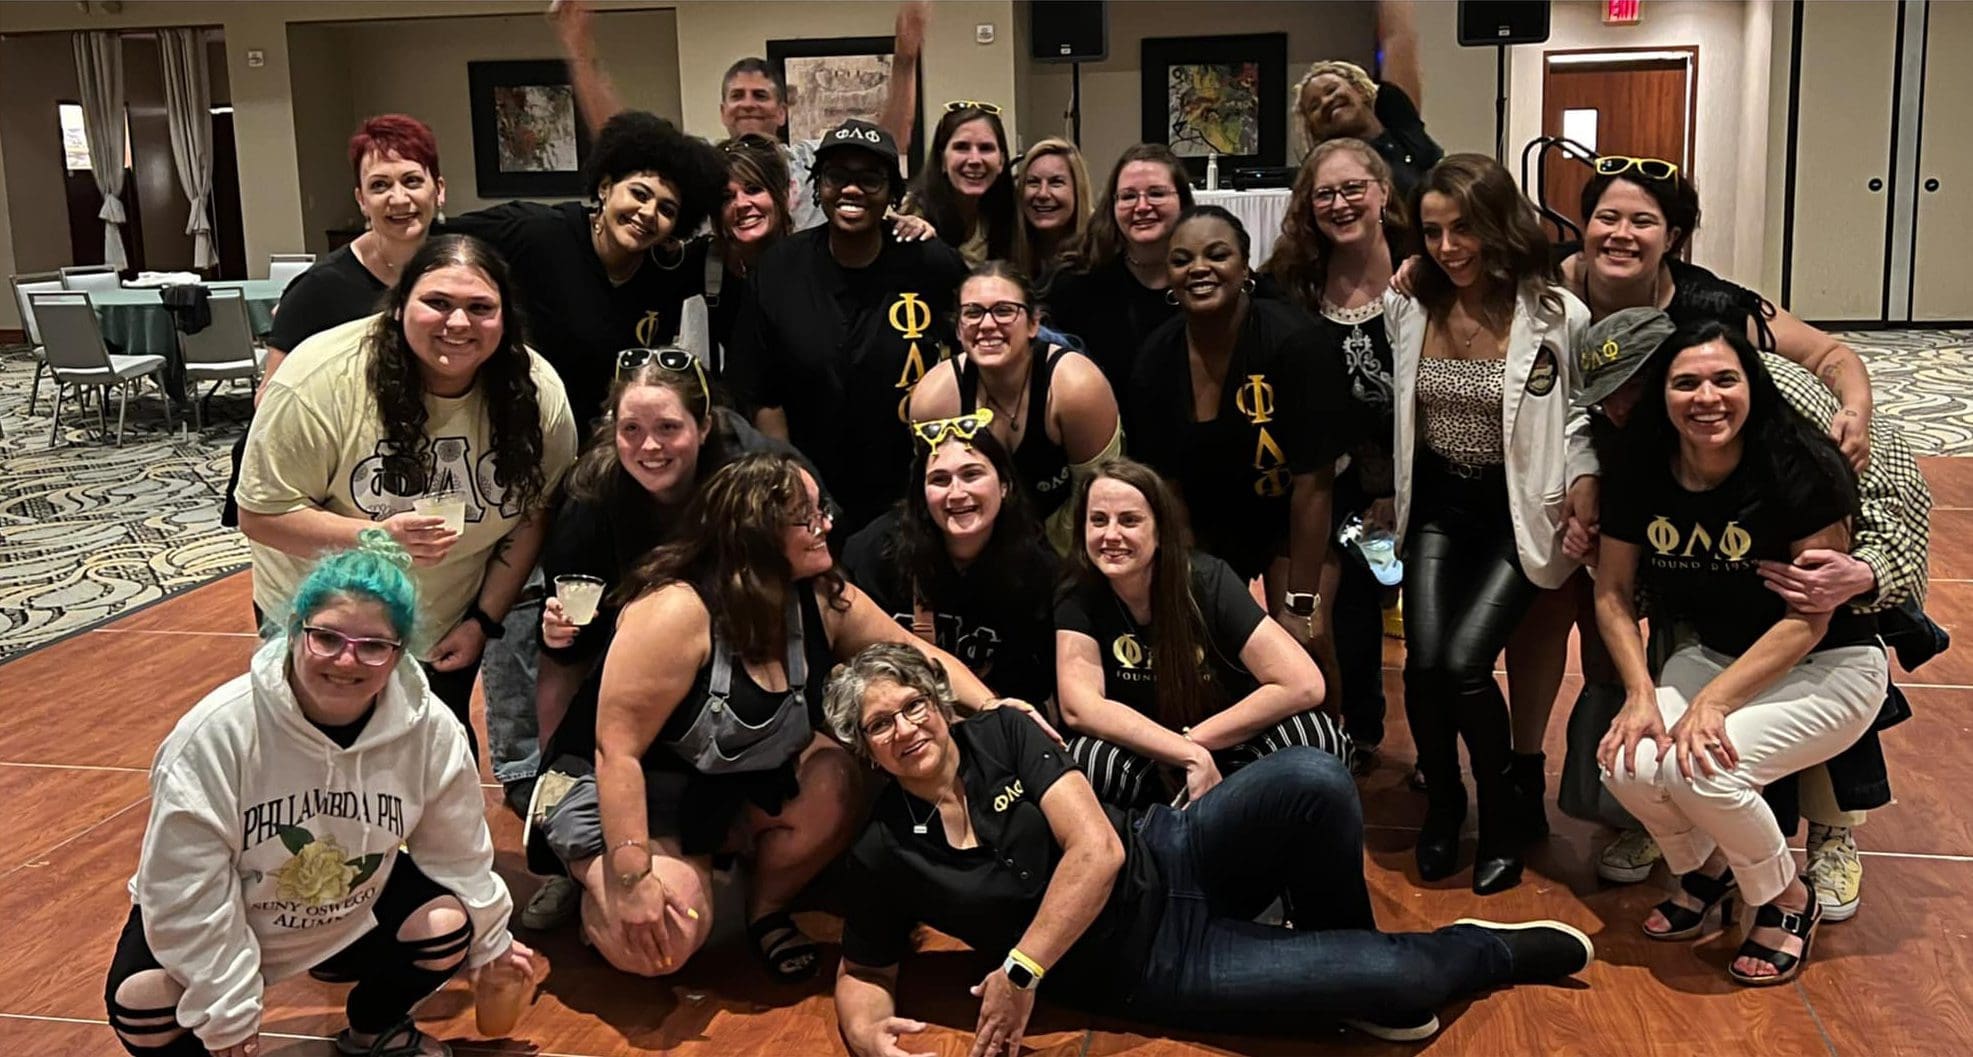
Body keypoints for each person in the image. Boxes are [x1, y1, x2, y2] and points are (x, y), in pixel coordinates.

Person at [824, 644, 1598, 1054]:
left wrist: (1021, 968)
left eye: (913, 705)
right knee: (1402, 978)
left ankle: (1342, 958)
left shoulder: (1001, 730)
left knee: (1315, 774)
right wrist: (866, 1032)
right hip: (1150, 966)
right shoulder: (882, 848)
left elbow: (1096, 849)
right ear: (865, 750)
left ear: (939, 702)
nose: (905, 728)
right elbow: (863, 967)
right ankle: (1476, 952)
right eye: (880, 725)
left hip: (1168, 850)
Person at [529, 452, 1049, 982]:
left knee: (837, 775)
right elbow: (615, 752)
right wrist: (631, 876)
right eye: (807, 517)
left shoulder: (822, 597)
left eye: (821, 511)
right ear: (756, 533)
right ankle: (590, 876)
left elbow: (916, 655)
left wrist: (993, 706)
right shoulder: (674, 611)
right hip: (620, 789)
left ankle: (764, 910)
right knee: (662, 943)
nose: (827, 525)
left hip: (713, 790)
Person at [104, 533, 540, 1057]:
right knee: (142, 1005)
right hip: (234, 907)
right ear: (294, 631)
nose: (347, 661)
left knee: (446, 925)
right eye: (326, 638)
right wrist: (227, 1004)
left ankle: (375, 1028)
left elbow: (459, 854)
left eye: (373, 646)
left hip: (346, 902)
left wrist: (493, 941)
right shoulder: (216, 733)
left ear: (400, 654)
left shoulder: (429, 727)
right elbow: (184, 885)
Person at [1571, 308, 1931, 923]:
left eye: (1723, 381)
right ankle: (1711, 869)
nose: (1706, 397)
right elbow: (1615, 591)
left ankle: (1790, 897)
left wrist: (1713, 704)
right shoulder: (1634, 461)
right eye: (1686, 384)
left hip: (1825, 657)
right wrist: (1639, 695)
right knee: (1628, 764)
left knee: (1703, 771)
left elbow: (1815, 611)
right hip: (1713, 647)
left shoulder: (1797, 449)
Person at [237, 235, 581, 757]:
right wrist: (375, 538)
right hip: (323, 622)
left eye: (480, 308)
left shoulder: (537, 393)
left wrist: (482, 621)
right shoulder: (318, 380)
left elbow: (534, 513)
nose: (458, 323)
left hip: (443, 622)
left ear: (505, 318)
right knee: (321, 765)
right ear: (399, 307)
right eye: (437, 303)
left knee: (432, 761)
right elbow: (261, 515)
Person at [516, 346, 819, 931]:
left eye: (668, 428)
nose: (649, 446)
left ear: (704, 426)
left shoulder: (751, 475)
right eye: (631, 429)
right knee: (657, 932)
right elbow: (566, 655)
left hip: (729, 676)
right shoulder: (592, 497)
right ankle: (572, 853)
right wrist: (558, 640)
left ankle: (740, 854)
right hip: (627, 690)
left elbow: (816, 545)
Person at [1386, 154, 1592, 894]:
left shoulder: (1557, 314)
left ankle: (1504, 816)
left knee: (1463, 664)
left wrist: (1584, 486)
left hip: (1515, 512)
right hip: (1438, 507)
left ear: (1499, 225)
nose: (1448, 247)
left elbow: (1581, 416)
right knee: (1421, 664)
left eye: (1464, 228)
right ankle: (1445, 806)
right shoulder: (1409, 304)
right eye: (1433, 231)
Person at [1131, 206, 1347, 694]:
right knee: (1200, 645)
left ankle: (1330, 737)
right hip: (1205, 522)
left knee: (1306, 642)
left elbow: (1314, 485)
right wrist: (1186, 584)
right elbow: (1167, 487)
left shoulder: (1297, 342)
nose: (1199, 268)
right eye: (1182, 260)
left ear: (1245, 265)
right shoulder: (1155, 359)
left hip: (1288, 520)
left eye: (1217, 254)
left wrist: (1300, 603)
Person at [1055, 459, 1350, 810]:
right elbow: (1080, 708)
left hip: (1229, 744)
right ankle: (1139, 846)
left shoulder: (1209, 581)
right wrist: (1179, 752)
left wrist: (1194, 742)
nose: (1111, 535)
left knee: (1315, 739)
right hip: (1144, 754)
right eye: (1099, 520)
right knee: (1085, 761)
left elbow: (1304, 683)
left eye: (1130, 520)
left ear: (1160, 530)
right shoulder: (1078, 594)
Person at [726, 118, 970, 534]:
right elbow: (764, 395)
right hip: (811, 494)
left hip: (914, 493)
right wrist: (794, 488)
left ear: (893, 194)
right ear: (818, 187)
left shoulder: (929, 262)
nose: (851, 189)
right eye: (837, 176)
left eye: (870, 179)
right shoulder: (780, 269)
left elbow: (971, 360)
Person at [223, 114, 445, 531]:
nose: (399, 198)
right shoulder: (318, 289)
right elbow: (270, 400)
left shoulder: (461, 270)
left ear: (439, 189)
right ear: (361, 200)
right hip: (339, 486)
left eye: (412, 181)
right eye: (380, 185)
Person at [1262, 137, 1409, 760]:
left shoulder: (1422, 273)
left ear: (1383, 193)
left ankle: (1431, 754)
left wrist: (1398, 492)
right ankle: (1350, 736)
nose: (1340, 203)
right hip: (1324, 485)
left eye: (1353, 188)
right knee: (1331, 617)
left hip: (1416, 481)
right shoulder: (1290, 283)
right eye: (1325, 193)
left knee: (1430, 635)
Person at [442, 110, 725, 426]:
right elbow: (434, 237)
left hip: (610, 438)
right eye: (639, 194)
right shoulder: (538, 232)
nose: (648, 212)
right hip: (521, 428)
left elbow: (735, 256)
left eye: (666, 209)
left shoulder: (669, 269)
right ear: (605, 187)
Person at [552, 0, 926, 234]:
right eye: (737, 96)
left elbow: (888, 142)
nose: (748, 104)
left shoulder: (813, 159)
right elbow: (619, 141)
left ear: (782, 112)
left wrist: (905, 60)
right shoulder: (703, 165)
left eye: (760, 96)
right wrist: (581, 52)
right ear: (723, 111)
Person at [843, 414, 1059, 709]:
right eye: (940, 480)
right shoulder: (877, 552)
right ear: (922, 494)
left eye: (972, 475)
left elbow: (1030, 688)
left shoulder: (1037, 571)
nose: (956, 493)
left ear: (1005, 485)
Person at [908, 261, 1121, 552]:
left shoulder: (1077, 387)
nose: (987, 325)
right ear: (958, 329)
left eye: (1004, 311)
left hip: (1069, 539)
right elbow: (937, 499)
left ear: (1034, 323)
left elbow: (1102, 498)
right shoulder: (934, 399)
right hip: (977, 541)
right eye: (973, 313)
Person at [1044, 144, 1195, 390]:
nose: (1142, 206)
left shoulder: (1205, 277)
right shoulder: (1075, 280)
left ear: (1182, 201)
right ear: (1112, 205)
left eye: (1156, 193)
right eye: (1128, 196)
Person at [1294, 0, 1441, 198]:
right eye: (1314, 106)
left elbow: (1398, 39)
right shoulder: (1324, 171)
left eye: (1332, 90)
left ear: (1360, 90)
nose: (1326, 101)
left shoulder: (1400, 123)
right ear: (1314, 128)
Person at [904, 102, 1017, 265]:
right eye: (962, 147)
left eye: (985, 148)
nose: (975, 160)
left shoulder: (1012, 217)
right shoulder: (909, 213)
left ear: (1001, 161)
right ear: (942, 160)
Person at [1012, 137, 1094, 282]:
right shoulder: (1008, 252)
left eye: (1056, 183)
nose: (1042, 194)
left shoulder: (1101, 253)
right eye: (1033, 182)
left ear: (1077, 191)